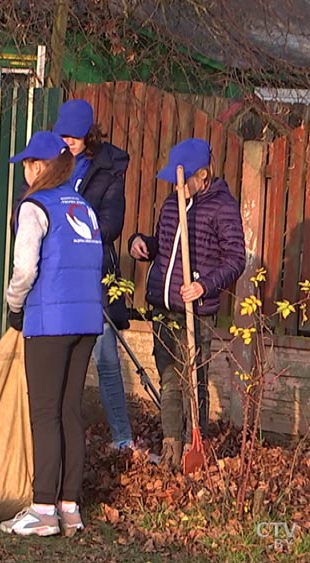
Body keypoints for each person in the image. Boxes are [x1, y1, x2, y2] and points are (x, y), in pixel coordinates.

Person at [0, 131, 103, 537]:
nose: (25, 171)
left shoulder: (34, 206)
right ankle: (70, 507)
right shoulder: (84, 207)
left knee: (44, 412)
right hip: (87, 321)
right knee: (70, 411)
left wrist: (14, 306)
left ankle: (42, 509)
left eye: (28, 164)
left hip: (49, 321)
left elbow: (25, 269)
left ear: (41, 167)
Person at [127, 138, 245, 468]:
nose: (176, 188)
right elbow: (165, 247)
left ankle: (197, 445)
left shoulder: (221, 207)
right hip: (163, 307)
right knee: (168, 379)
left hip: (196, 309)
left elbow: (236, 259)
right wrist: (141, 244)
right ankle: (171, 448)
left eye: (182, 182)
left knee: (194, 383)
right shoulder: (172, 204)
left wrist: (203, 285)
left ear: (202, 175)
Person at [52, 99, 136, 451]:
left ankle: (122, 438)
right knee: (54, 359)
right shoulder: (55, 164)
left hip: (93, 275)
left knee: (105, 358)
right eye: (63, 135)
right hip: (56, 274)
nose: (68, 142)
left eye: (74, 136)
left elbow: (111, 225)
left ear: (88, 134)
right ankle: (48, 433)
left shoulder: (107, 170)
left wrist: (71, 230)